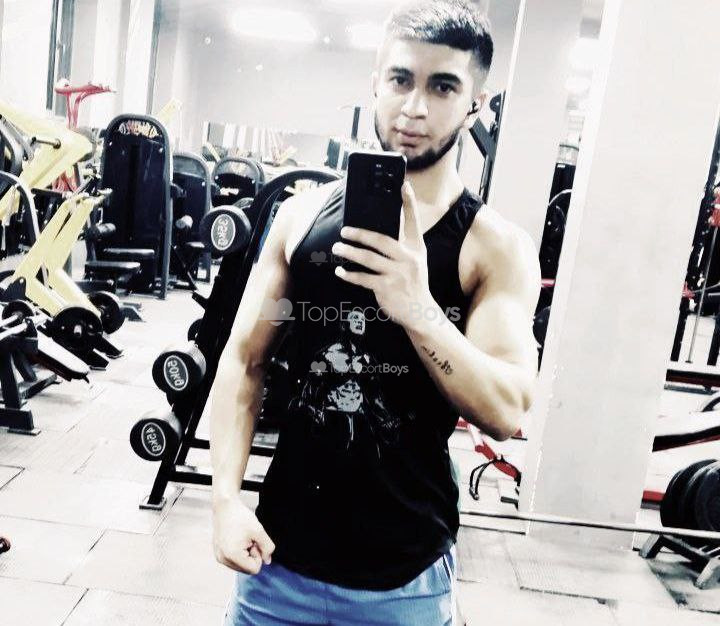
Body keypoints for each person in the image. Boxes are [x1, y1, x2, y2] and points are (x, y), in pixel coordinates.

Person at [210, 1, 540, 624]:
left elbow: (505, 411)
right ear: (376, 84)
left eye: (442, 87)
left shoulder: (493, 248)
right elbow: (243, 362)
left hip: (404, 584)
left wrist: (417, 308)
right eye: (400, 79)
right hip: (276, 568)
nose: (414, 107)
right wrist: (225, 499)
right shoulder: (300, 218)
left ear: (476, 104)